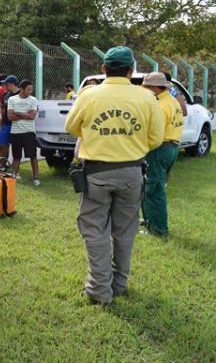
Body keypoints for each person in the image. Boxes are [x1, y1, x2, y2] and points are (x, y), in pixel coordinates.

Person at [65, 46, 164, 307]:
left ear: (103, 69)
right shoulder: (147, 98)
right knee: (125, 231)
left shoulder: (89, 94)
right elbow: (155, 138)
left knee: (95, 230)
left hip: (96, 174)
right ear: (132, 70)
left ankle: (99, 289)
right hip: (133, 172)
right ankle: (118, 284)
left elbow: (71, 126)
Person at [141, 72, 183, 237]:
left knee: (154, 189)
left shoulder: (160, 106)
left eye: (147, 87)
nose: (145, 90)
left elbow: (154, 131)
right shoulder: (171, 101)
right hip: (171, 147)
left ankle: (159, 229)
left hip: (158, 148)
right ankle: (149, 220)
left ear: (156, 88)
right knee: (151, 187)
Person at [7, 79, 40, 185]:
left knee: (33, 156)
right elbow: (10, 117)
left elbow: (32, 117)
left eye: (31, 89)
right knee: (16, 156)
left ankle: (36, 178)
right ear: (21, 89)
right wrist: (25, 114)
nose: (30, 91)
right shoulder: (12, 99)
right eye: (28, 89)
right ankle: (13, 177)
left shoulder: (33, 100)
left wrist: (17, 113)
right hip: (15, 132)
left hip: (29, 132)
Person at [0, 75, 19, 167]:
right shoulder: (5, 94)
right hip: (5, 125)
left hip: (17, 126)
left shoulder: (21, 94)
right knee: (1, 146)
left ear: (12, 84)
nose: (4, 86)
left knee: (16, 149)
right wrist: (0, 116)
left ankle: (14, 170)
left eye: (6, 84)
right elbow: (1, 107)